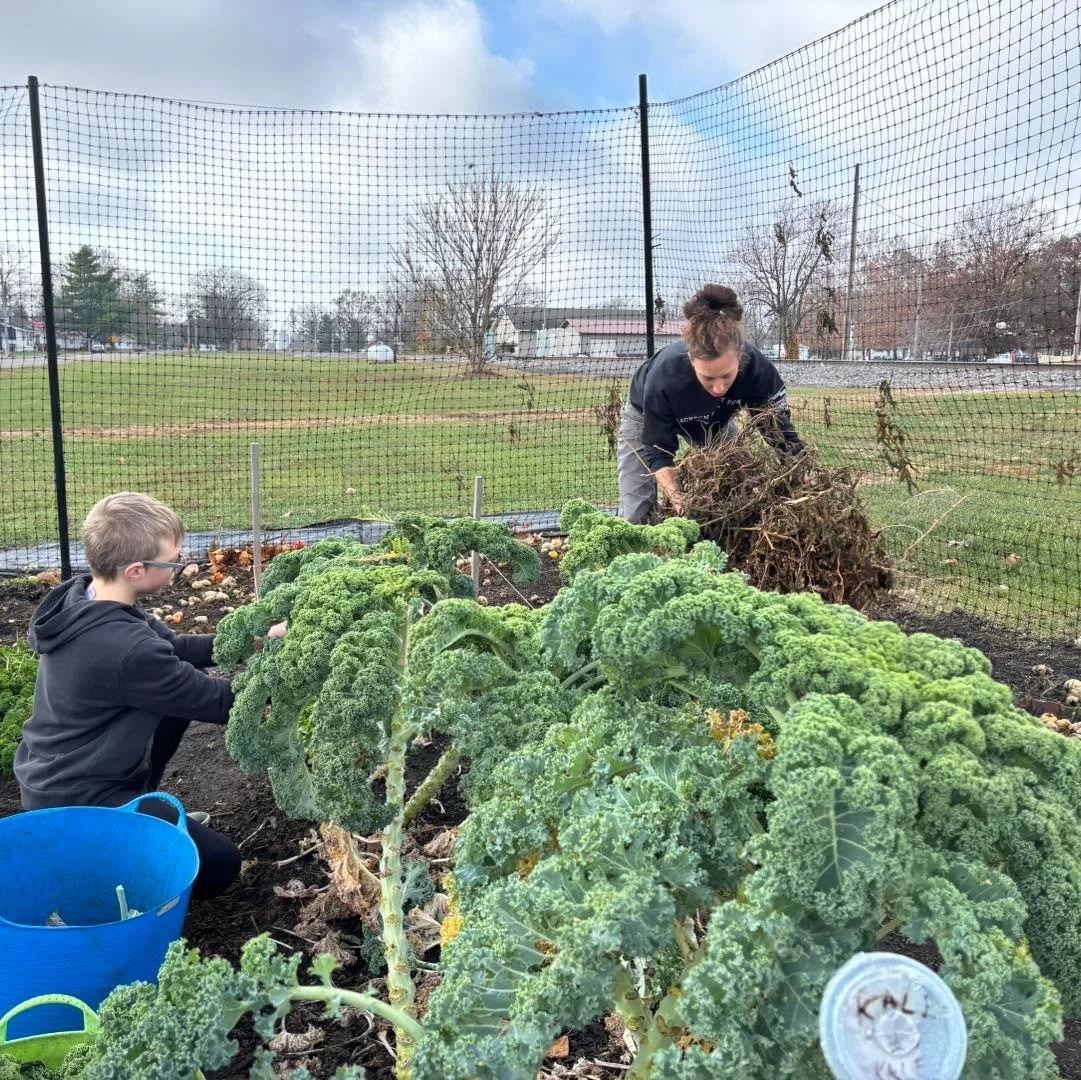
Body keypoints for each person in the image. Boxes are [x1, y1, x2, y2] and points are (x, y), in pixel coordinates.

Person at [13, 492, 285, 900]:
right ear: (137, 569)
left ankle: (145, 819)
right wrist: (291, 681)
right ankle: (116, 858)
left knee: (174, 702)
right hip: (82, 801)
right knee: (221, 864)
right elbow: (221, 703)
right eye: (172, 561)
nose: (179, 567)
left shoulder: (90, 598)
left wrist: (259, 640)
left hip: (58, 773)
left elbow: (176, 647)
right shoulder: (125, 649)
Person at [618, 284, 803, 523]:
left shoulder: (758, 371)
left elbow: (779, 433)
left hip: (714, 419)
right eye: (708, 378)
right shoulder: (664, 378)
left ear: (740, 357)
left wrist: (803, 475)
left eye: (727, 376)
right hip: (645, 416)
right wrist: (678, 498)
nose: (718, 388)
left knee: (736, 487)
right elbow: (658, 451)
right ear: (691, 360)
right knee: (636, 512)